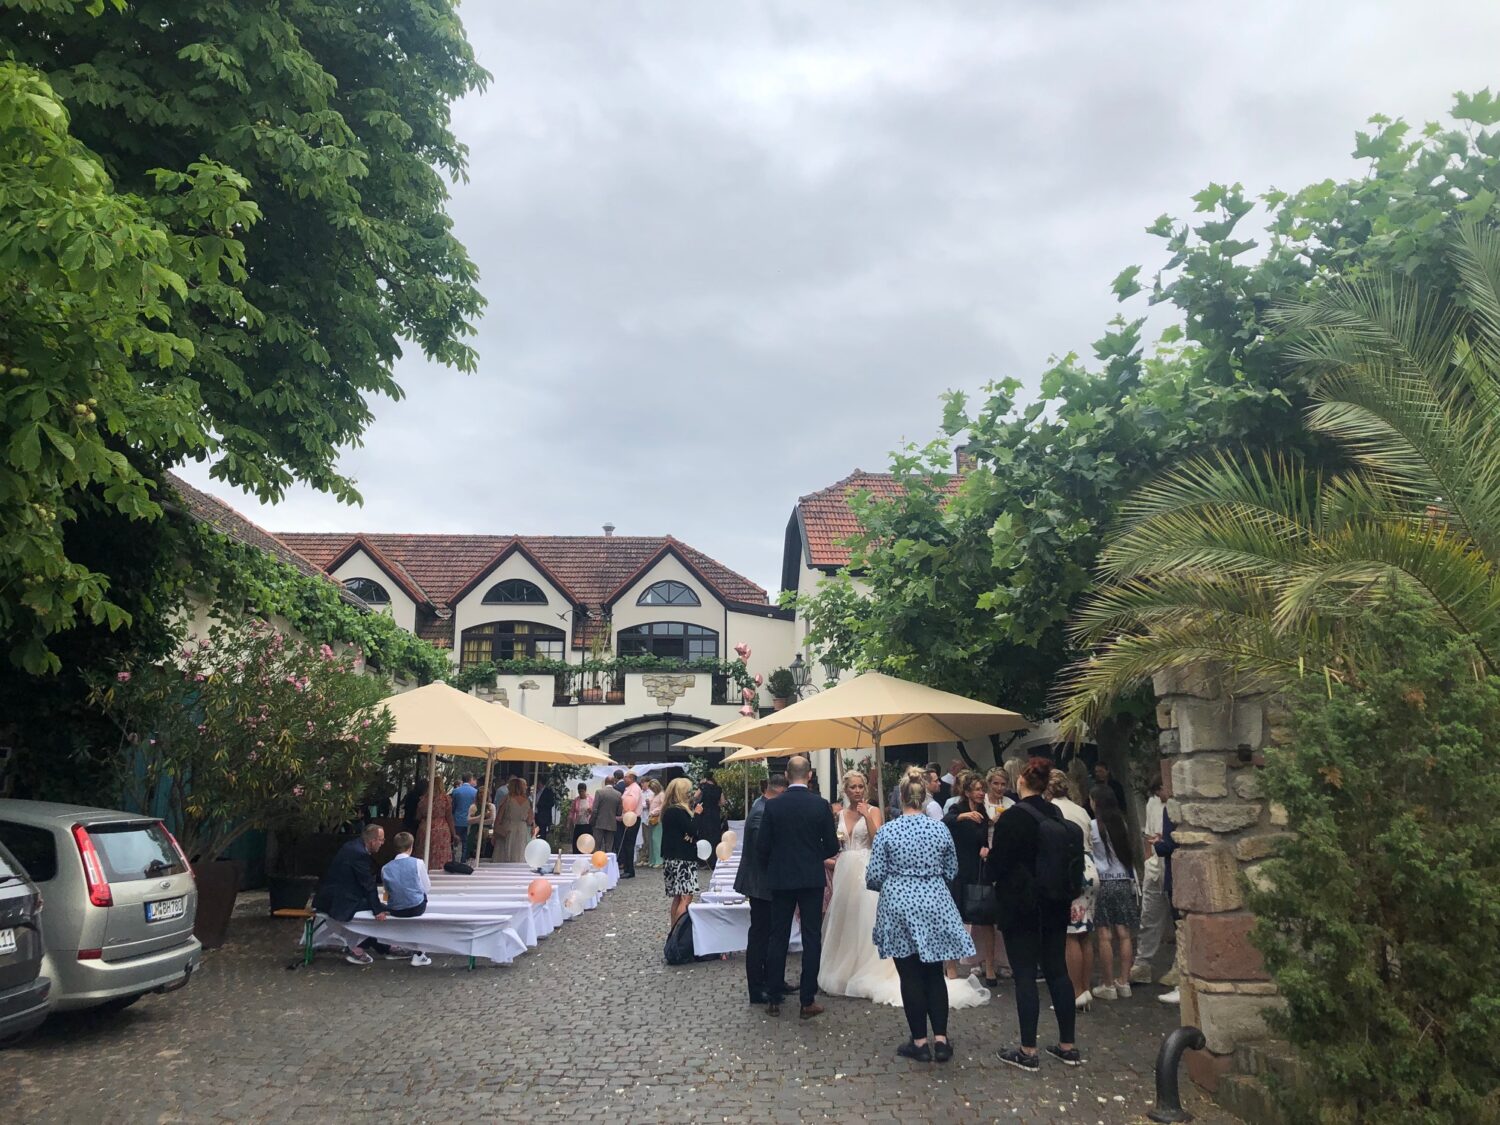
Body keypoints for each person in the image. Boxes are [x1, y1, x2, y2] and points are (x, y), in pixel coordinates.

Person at [866, 768, 976, 1063]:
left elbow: (874, 875)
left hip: (899, 902)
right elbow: (952, 869)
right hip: (935, 901)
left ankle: (919, 1041)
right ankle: (941, 1038)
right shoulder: (939, 828)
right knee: (934, 972)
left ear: (901, 797)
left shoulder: (889, 830)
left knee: (909, 974)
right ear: (923, 797)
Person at [987, 758, 1082, 1071]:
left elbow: (996, 867)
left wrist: (988, 858)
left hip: (1021, 905)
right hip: (1055, 901)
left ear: (1021, 782)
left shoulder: (1013, 818)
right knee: (1057, 971)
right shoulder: (1055, 813)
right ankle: (1067, 1045)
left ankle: (1028, 1049)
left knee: (1025, 974)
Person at [757, 755, 839, 1019]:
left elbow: (762, 846)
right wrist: (813, 854)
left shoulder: (773, 806)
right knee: (811, 936)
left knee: (777, 936)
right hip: (810, 877)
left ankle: (773, 997)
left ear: (787, 774)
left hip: (781, 877)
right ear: (810, 775)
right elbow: (832, 847)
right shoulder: (820, 805)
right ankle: (807, 999)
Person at [312, 824, 409, 965]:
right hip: (338, 901)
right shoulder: (359, 854)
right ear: (372, 841)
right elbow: (368, 884)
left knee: (376, 908)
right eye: (381, 840)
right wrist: (378, 909)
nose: (382, 843)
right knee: (379, 911)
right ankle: (382, 946)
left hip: (333, 896)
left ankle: (381, 946)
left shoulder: (353, 847)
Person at [735, 772, 789, 1003]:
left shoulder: (762, 806)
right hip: (761, 884)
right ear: (778, 792)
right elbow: (762, 850)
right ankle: (757, 988)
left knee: (767, 934)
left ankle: (772, 979)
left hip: (763, 883)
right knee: (760, 936)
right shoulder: (761, 812)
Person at [1047, 769, 1098, 1011]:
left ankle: (1075, 990)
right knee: (1085, 932)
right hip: (1090, 867)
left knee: (1069, 933)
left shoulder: (1054, 811)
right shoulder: (1080, 810)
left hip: (1072, 869)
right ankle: (1085, 987)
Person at [944, 771, 996, 985]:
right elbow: (945, 821)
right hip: (959, 870)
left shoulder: (983, 812)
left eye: (982, 789)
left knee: (986, 919)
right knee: (954, 919)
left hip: (978, 869)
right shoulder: (958, 809)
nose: (981, 793)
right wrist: (963, 816)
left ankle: (990, 966)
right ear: (966, 792)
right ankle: (951, 965)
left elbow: (984, 838)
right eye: (977, 789)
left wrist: (986, 849)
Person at [1088, 785, 1139, 1001]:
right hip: (1122, 881)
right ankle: (1124, 981)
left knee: (1104, 935)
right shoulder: (1122, 825)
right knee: (1124, 933)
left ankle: (1108, 984)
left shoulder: (1092, 826)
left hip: (1102, 882)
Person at [1131, 778, 1170, 984]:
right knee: (1149, 915)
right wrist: (1148, 860)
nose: (1161, 793)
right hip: (1154, 865)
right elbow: (1148, 834)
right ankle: (1142, 963)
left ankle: (1179, 965)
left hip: (1169, 864)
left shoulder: (1174, 805)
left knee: (1176, 914)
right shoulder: (1152, 803)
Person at [380, 830, 432, 966]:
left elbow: (387, 891)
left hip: (395, 909)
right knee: (422, 896)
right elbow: (426, 887)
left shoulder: (385, 868)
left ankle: (402, 948)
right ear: (411, 846)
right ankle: (419, 953)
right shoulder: (418, 863)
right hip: (415, 907)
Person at [660, 777, 698, 931]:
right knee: (686, 897)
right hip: (683, 858)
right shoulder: (679, 811)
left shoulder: (668, 811)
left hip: (671, 857)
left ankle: (674, 931)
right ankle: (679, 932)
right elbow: (693, 830)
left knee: (677, 896)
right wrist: (697, 814)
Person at [414, 774, 455, 871]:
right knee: (440, 855)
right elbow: (449, 817)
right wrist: (454, 833)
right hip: (441, 829)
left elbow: (417, 816)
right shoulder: (445, 799)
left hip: (424, 828)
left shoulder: (423, 799)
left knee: (424, 853)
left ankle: (423, 872)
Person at [495, 777, 535, 863]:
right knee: (519, 852)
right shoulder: (528, 801)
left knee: (504, 853)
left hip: (508, 827)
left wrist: (496, 832)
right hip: (522, 829)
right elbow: (530, 821)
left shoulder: (507, 799)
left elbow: (499, 817)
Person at [617, 772, 643, 878]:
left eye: (626, 777)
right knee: (626, 844)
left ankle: (630, 870)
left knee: (629, 844)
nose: (624, 779)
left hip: (631, 818)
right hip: (628, 817)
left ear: (632, 778)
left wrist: (625, 816)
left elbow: (630, 804)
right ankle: (627, 868)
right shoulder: (630, 788)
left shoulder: (635, 789)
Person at [695, 774, 723, 868]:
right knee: (715, 837)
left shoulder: (703, 787)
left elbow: (695, 796)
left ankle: (703, 861)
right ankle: (713, 860)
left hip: (704, 814)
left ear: (706, 779)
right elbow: (722, 802)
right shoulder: (719, 788)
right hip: (715, 815)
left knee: (704, 835)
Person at [591, 773, 623, 852]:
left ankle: (597, 863)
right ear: (614, 783)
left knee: (597, 846)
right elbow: (619, 812)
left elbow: (595, 809)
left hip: (599, 823)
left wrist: (592, 820)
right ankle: (608, 863)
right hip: (611, 823)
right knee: (609, 847)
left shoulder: (599, 792)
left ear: (605, 782)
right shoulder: (618, 794)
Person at [450, 774, 477, 862]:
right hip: (469, 820)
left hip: (457, 819)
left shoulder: (456, 791)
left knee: (455, 841)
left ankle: (453, 859)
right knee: (466, 842)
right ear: (470, 779)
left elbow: (453, 806)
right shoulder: (475, 791)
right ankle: (463, 860)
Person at [645, 779, 665, 868]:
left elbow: (663, 806)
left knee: (656, 840)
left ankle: (659, 860)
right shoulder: (654, 794)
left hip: (658, 819)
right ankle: (652, 859)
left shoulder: (661, 795)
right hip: (652, 818)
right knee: (651, 840)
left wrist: (654, 811)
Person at [568, 783, 593, 853]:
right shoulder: (576, 800)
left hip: (587, 824)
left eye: (582, 791)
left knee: (587, 841)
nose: (581, 793)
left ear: (585, 791)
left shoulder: (591, 799)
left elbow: (595, 811)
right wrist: (569, 822)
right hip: (578, 824)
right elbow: (571, 812)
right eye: (579, 792)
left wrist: (591, 811)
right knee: (576, 842)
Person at [535, 778, 557, 843]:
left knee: (542, 833)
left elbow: (551, 803)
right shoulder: (537, 791)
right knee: (536, 832)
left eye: (538, 783)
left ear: (541, 783)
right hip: (536, 814)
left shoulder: (548, 791)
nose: (537, 785)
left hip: (543, 816)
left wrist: (540, 805)